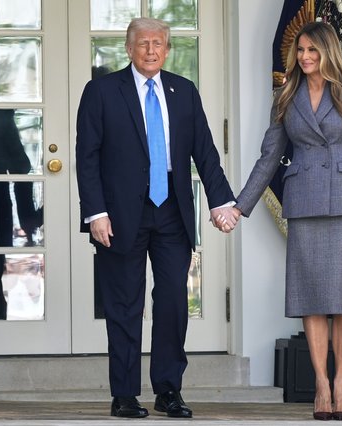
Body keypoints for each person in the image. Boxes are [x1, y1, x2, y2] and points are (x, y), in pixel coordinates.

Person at [75, 17, 238, 419]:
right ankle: (125, 395)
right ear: (129, 49)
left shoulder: (183, 91)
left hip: (172, 212)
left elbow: (205, 151)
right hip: (118, 215)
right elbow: (87, 157)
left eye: (159, 44)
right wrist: (95, 212)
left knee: (171, 304)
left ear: (167, 50)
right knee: (124, 306)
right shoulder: (101, 91)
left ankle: (168, 391)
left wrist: (221, 202)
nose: (151, 50)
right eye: (143, 43)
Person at [231, 21, 342, 421]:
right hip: (305, 201)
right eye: (300, 50)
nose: (304, 57)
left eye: (312, 51)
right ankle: (320, 383)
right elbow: (269, 156)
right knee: (312, 296)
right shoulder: (286, 95)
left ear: (328, 52)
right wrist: (240, 205)